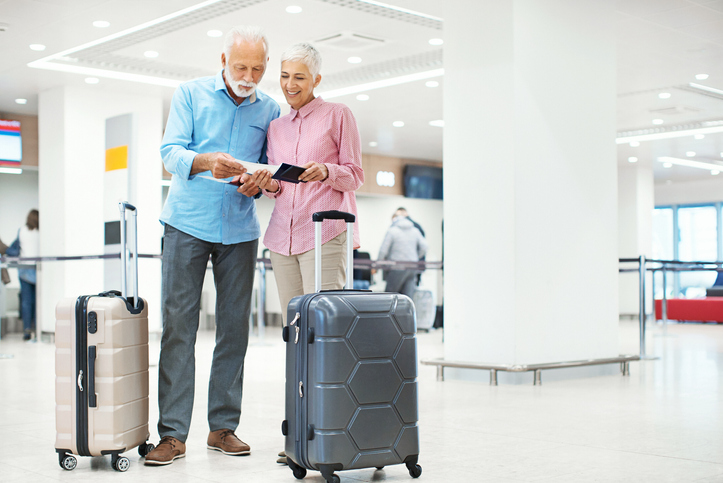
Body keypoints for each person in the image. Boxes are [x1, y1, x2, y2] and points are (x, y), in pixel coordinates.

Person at [145, 26, 280, 467]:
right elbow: (170, 153)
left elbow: (269, 174)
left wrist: (258, 186)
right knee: (180, 325)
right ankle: (172, 434)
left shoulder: (270, 108)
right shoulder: (190, 93)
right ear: (223, 60)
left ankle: (222, 427)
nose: (249, 76)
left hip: (239, 230)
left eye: (257, 68)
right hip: (186, 223)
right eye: (241, 67)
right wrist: (206, 161)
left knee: (234, 329)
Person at [242, 42, 363, 466]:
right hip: (283, 236)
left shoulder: (338, 115)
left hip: (325, 231)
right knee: (295, 339)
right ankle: (300, 433)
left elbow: (355, 175)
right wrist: (270, 185)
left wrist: (327, 171)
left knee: (326, 337)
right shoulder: (276, 126)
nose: (290, 85)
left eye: (299, 77)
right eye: (286, 76)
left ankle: (330, 433)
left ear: (316, 80)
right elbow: (279, 182)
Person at [0, 210, 39, 341]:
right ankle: (38, 329)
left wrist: (3, 250)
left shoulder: (22, 231)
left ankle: (27, 331)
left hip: (24, 270)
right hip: (39, 270)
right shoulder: (42, 232)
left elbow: (14, 250)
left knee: (26, 302)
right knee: (38, 301)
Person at [378, 209, 428, 298]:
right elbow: (424, 247)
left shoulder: (392, 230)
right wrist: (416, 257)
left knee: (389, 297)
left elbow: (383, 250)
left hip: (397, 267)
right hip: (412, 267)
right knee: (407, 298)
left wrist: (377, 265)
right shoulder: (415, 230)